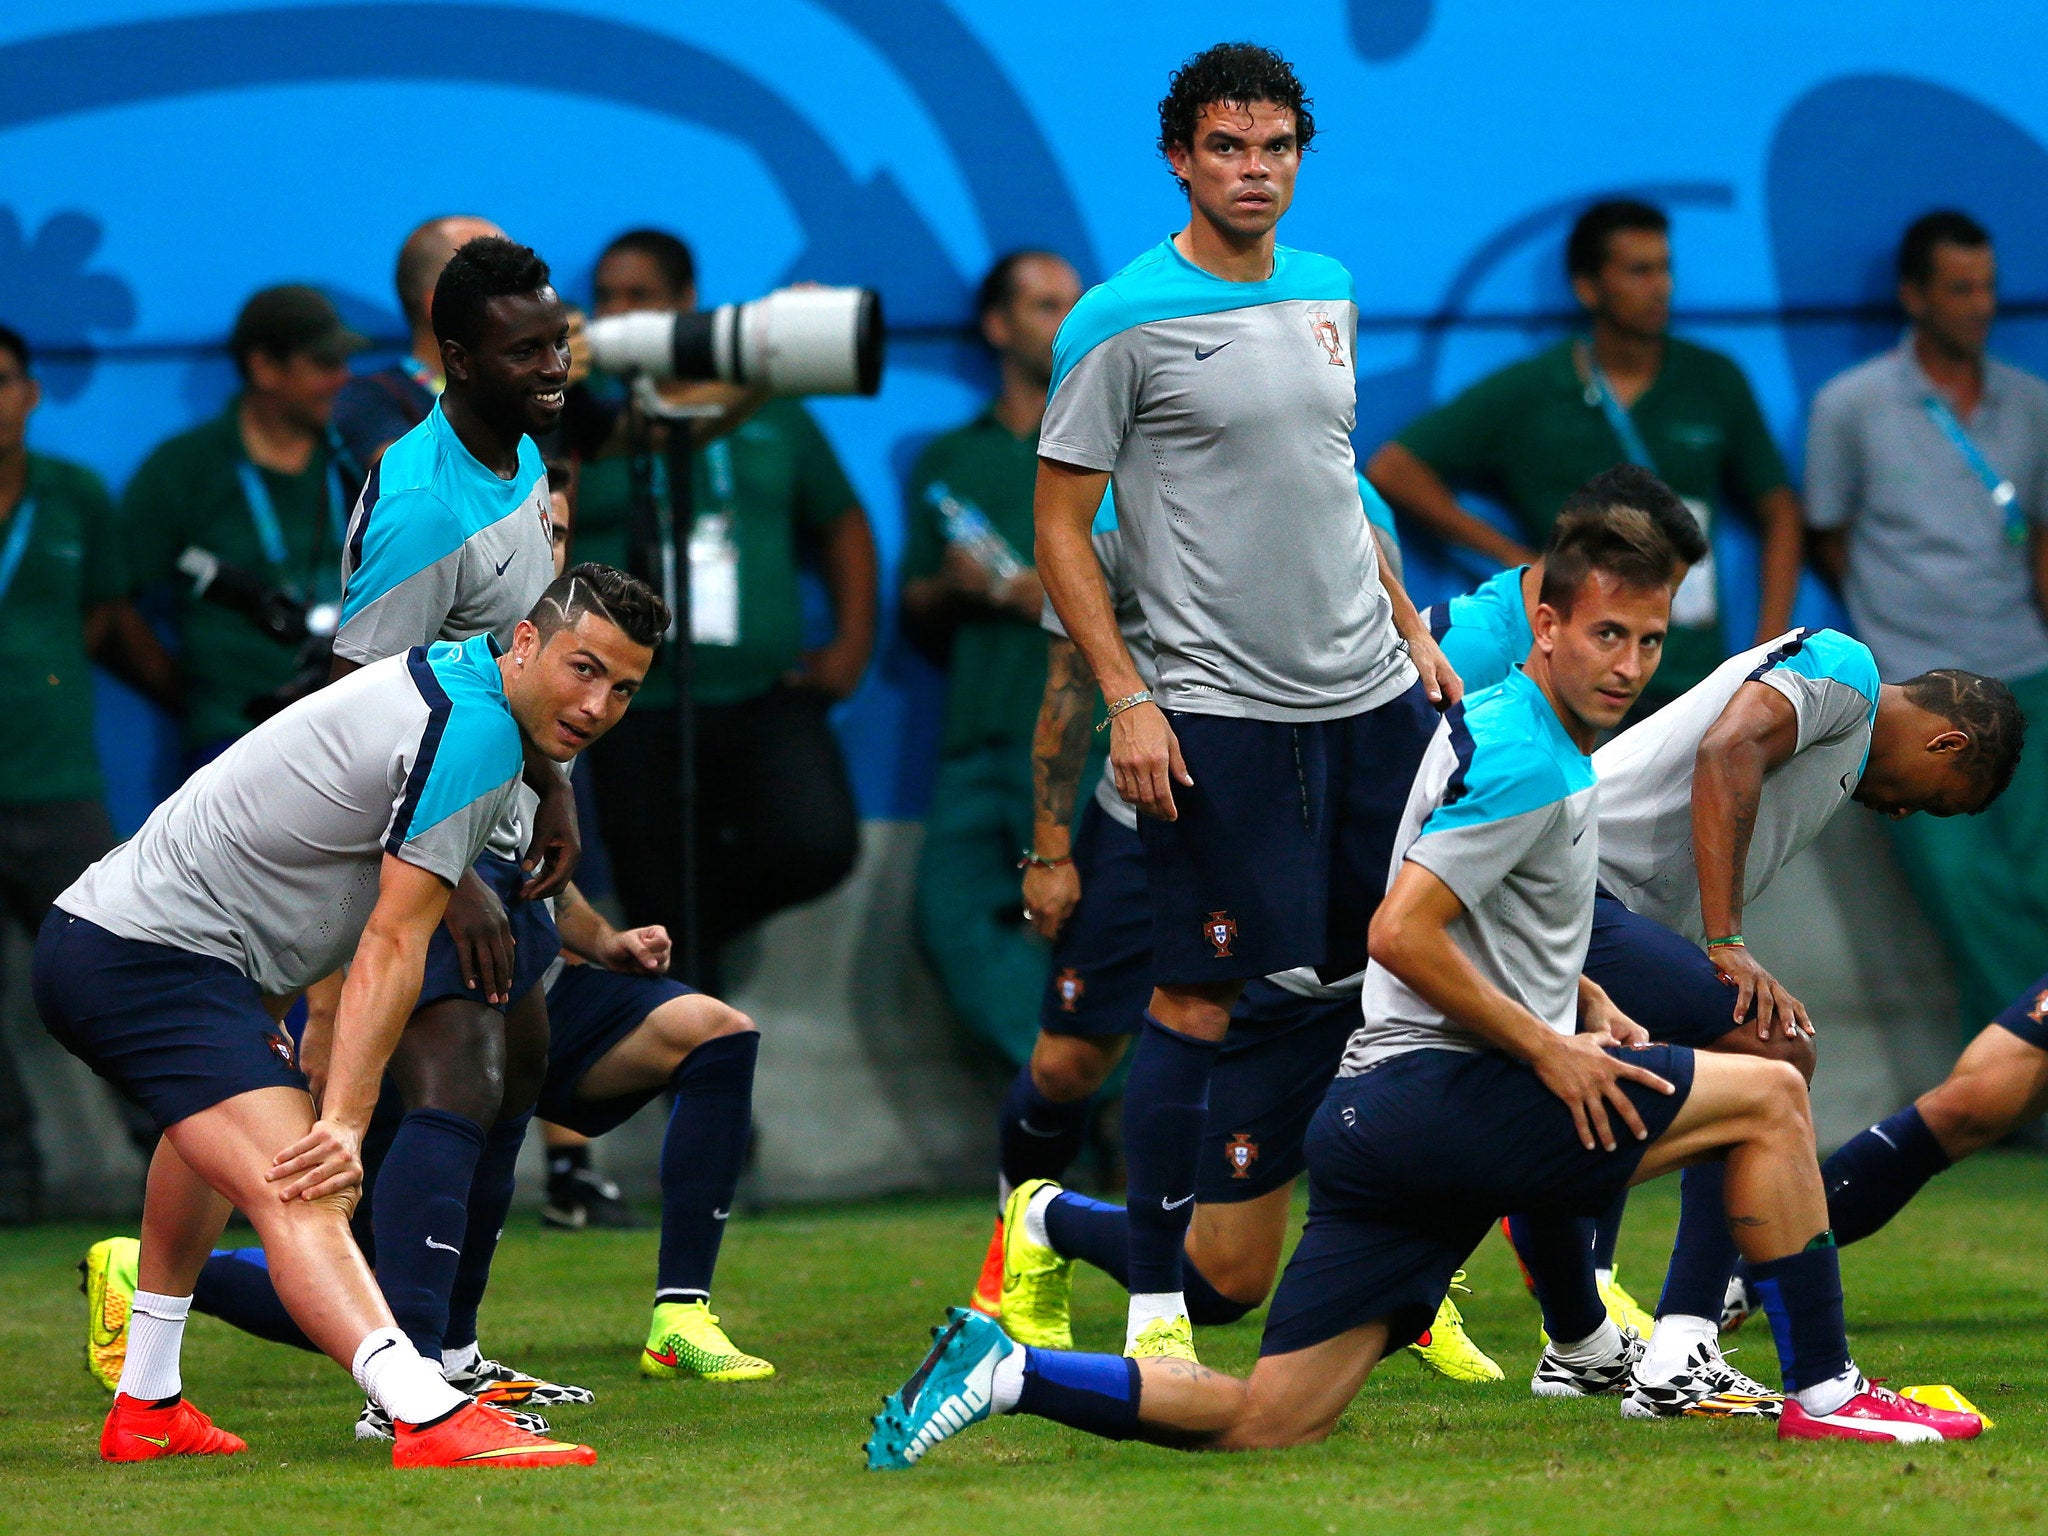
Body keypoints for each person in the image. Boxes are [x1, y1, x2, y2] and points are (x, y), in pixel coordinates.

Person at [865, 509, 1986, 1466]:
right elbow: (1400, 934)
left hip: (1384, 1127)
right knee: (1769, 1091)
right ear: (1540, 626)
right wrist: (1549, 1046)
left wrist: (1583, 1010)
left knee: (1268, 1419)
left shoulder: (1520, 738)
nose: (1630, 667)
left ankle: (1006, 1374)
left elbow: (1484, 918)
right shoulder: (1522, 756)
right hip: (1436, 1102)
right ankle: (1816, 1390)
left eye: (1647, 642)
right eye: (1605, 634)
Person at [38, 568, 667, 1467]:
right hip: (143, 961)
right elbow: (391, 942)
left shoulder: (465, 682)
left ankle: (147, 1403)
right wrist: (345, 1118)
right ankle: (425, 1411)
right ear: (523, 643)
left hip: (155, 954)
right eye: (584, 669)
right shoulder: (476, 730)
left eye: (624, 689)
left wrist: (553, 784)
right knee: (309, 1181)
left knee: (208, 1149)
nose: (598, 704)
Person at [1031, 42, 1458, 1365]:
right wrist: (1128, 699)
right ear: (1178, 157)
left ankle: (1399, 1287)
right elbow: (1056, 528)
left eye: (1275, 147)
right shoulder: (1116, 315)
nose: (1253, 171)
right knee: (1198, 1002)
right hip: (1214, 714)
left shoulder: (1328, 287)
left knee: (1407, 979)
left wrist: (1406, 625)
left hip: (1374, 700)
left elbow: (1333, 480)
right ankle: (1157, 1310)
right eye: (1227, 147)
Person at [972, 488, 1498, 1385]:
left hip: (1299, 821)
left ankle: (1415, 1296)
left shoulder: (1348, 497)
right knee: (1068, 1066)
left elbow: (1381, 653)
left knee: (1383, 1021)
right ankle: (1022, 1244)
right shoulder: (1107, 513)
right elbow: (1067, 684)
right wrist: (1053, 848)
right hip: (1146, 814)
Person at [326, 235, 590, 1428]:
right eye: (523, 350)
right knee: (456, 1074)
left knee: (520, 1069)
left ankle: (456, 1351)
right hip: (425, 842)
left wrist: (558, 790)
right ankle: (405, 1377)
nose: (551, 368)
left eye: (556, 342)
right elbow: (358, 711)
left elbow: (512, 656)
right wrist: (452, 881)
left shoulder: (523, 451)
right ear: (453, 358)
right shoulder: (424, 503)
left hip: (503, 821)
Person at [577, 227, 871, 983]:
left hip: (763, 695)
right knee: (651, 893)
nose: (615, 312)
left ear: (684, 304)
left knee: (816, 843)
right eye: (604, 297)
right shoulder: (587, 425)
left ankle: (691, 941)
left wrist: (849, 647)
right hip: (629, 708)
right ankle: (697, 1060)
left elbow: (842, 523)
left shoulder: (777, 416)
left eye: (637, 296)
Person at [1368, 197, 1803, 707]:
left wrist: (1766, 652)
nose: (1660, 285)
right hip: (1574, 675)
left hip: (1695, 676)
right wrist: (1518, 561)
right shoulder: (1534, 389)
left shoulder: (1713, 379)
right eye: (1639, 271)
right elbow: (1394, 468)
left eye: (1665, 268)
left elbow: (1780, 509)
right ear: (1587, 286)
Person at [1803, 209, 2048, 1032]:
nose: (1980, 305)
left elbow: (2041, 542)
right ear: (1913, 296)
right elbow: (1829, 536)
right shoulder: (1851, 406)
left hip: (2029, 670)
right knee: (1964, 891)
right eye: (1958, 288)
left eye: (1987, 287)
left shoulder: (2032, 402)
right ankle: (2025, 1079)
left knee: (2041, 881)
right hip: (1921, 690)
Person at [0, 324, 179, 1222]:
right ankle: (11, 1179)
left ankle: (175, 1153)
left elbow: (110, 619)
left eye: (1, 381)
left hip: (57, 776)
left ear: (31, 393)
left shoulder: (73, 497)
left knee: (107, 972)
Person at [902, 249, 1081, 1065]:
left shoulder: (1116, 445)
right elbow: (914, 603)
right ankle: (1069, 1082)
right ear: (997, 325)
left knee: (1100, 929)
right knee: (948, 917)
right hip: (977, 730)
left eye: (1075, 304)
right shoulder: (948, 459)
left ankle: (1097, 1101)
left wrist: (1032, 596)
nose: (1068, 321)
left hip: (1090, 735)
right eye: (1047, 306)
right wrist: (952, 587)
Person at [123, 285, 365, 767]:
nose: (343, 379)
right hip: (233, 739)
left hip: (356, 737)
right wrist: (194, 698)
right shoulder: (184, 468)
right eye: (323, 363)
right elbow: (112, 601)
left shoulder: (360, 461)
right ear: (264, 369)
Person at [331, 215, 504, 469]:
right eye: (502, 284)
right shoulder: (370, 400)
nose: (527, 302)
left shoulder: (549, 392)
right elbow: (414, 485)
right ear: (442, 305)